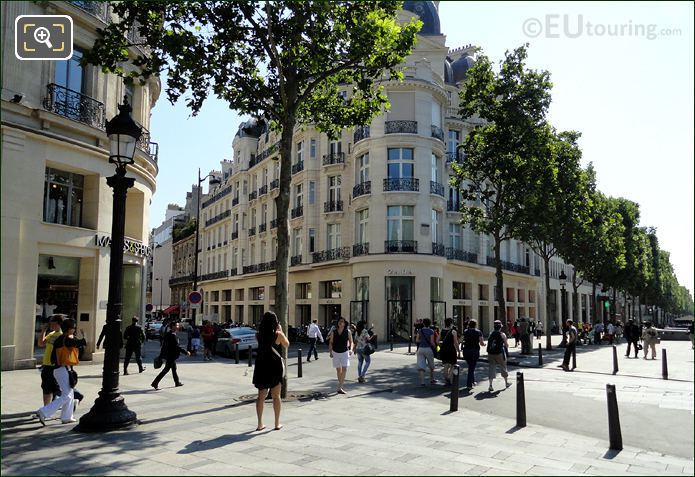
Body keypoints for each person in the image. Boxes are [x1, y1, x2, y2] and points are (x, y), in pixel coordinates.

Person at [36, 318, 80, 425]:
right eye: (73, 328)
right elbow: (80, 343)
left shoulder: (60, 339)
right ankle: (44, 411)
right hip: (62, 369)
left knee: (69, 393)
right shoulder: (66, 338)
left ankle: (67, 417)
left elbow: (52, 356)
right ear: (69, 329)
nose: (74, 330)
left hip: (59, 369)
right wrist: (83, 337)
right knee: (68, 395)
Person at [252, 311, 289, 431]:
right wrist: (281, 330)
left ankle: (259, 423)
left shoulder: (258, 335)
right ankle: (277, 423)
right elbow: (286, 344)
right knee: (276, 395)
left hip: (261, 365)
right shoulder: (278, 334)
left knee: (261, 396)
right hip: (274, 366)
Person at [151, 322, 190, 390]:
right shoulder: (172, 335)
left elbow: (163, 346)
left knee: (174, 369)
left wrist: (161, 355)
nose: (178, 327)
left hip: (169, 355)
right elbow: (177, 347)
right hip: (170, 356)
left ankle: (177, 382)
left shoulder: (168, 334)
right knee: (166, 369)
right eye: (177, 325)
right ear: (172, 326)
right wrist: (186, 352)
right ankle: (155, 383)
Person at [37, 314, 63, 406]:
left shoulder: (62, 335)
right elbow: (40, 343)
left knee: (57, 388)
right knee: (46, 387)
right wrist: (43, 330)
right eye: (50, 324)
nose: (51, 326)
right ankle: (46, 409)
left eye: (53, 324)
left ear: (60, 324)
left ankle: (74, 398)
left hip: (56, 365)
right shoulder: (51, 334)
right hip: (46, 365)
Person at [328, 317, 353, 394]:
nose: (340, 322)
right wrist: (330, 352)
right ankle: (340, 384)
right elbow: (331, 342)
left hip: (344, 352)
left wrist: (351, 349)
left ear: (344, 323)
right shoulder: (334, 332)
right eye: (339, 321)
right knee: (338, 370)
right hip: (336, 352)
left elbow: (351, 342)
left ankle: (340, 386)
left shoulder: (347, 332)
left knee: (344, 369)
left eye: (342, 321)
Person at [486, 320, 510, 392]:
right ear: (500, 327)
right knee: (503, 366)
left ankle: (490, 385)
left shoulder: (491, 333)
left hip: (491, 353)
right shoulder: (502, 334)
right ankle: (506, 383)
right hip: (499, 353)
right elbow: (506, 345)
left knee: (491, 367)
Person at [461, 320, 485, 390]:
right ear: (475, 325)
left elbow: (461, 340)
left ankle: (472, 380)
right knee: (471, 367)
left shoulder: (465, 331)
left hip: (466, 351)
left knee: (471, 366)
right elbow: (481, 342)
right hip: (474, 351)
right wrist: (484, 344)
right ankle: (469, 384)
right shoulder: (478, 332)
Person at [415, 318, 436, 386]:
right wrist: (436, 347)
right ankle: (432, 379)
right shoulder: (431, 331)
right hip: (428, 349)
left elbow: (417, 340)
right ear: (429, 324)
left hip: (420, 349)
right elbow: (432, 342)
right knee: (431, 365)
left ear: (423, 323)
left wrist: (422, 341)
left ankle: (422, 382)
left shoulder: (420, 331)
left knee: (421, 366)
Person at [438, 318, 458, 385]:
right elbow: (455, 342)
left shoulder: (442, 331)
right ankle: (449, 377)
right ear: (451, 323)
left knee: (445, 365)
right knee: (453, 364)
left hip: (444, 349)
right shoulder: (453, 331)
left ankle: (446, 379)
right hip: (451, 349)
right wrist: (458, 350)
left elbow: (437, 340)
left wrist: (440, 346)